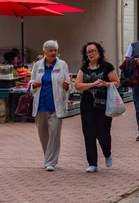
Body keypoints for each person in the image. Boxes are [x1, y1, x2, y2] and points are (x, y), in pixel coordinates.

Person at [74, 42, 120, 173]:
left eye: (93, 51)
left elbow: (117, 83)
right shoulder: (84, 69)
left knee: (103, 133)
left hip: (104, 106)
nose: (91, 54)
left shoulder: (107, 67)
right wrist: (92, 84)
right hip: (87, 107)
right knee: (89, 134)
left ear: (99, 52)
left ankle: (107, 153)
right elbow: (77, 85)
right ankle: (92, 163)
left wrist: (105, 84)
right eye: (89, 52)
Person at [31, 40, 72, 171]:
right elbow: (31, 81)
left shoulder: (62, 65)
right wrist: (33, 84)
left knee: (54, 134)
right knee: (43, 135)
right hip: (41, 104)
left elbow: (69, 83)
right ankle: (48, 157)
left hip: (56, 104)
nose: (54, 53)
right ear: (44, 52)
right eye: (50, 50)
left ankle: (50, 162)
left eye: (55, 50)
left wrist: (67, 86)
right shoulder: (38, 65)